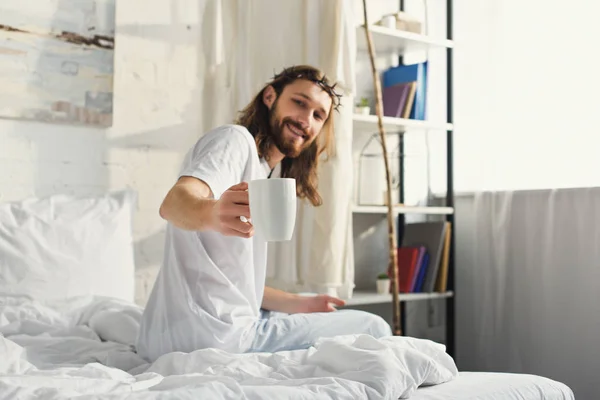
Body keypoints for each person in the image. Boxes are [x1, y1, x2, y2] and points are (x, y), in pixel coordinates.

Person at [136, 65, 392, 362]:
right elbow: (175, 203)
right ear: (270, 96)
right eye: (299, 102)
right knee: (375, 327)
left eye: (318, 115)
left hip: (160, 337)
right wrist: (212, 212)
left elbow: (236, 284)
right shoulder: (235, 141)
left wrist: (299, 303)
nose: (305, 120)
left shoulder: (263, 173)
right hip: (217, 339)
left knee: (314, 315)